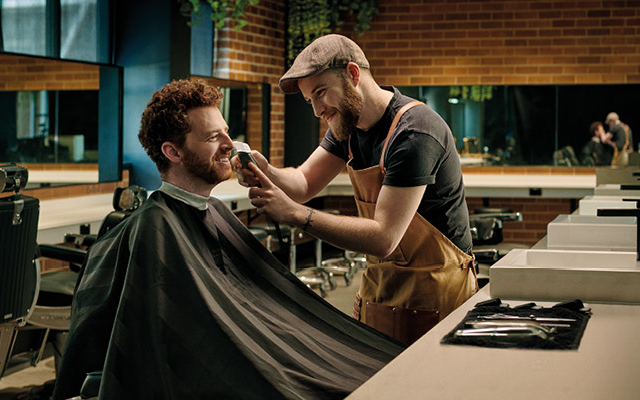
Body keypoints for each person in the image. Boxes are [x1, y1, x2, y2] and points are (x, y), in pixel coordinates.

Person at [54, 80, 402, 400]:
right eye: (212, 138)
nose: (229, 146)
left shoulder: (212, 211)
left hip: (265, 350)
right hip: (235, 370)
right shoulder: (155, 228)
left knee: (378, 363)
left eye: (227, 133)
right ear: (173, 152)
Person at [236, 34, 477, 345]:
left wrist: (295, 214)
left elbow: (384, 237)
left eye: (321, 93)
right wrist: (266, 171)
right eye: (310, 100)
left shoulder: (414, 131)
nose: (317, 110)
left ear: (352, 74)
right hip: (382, 284)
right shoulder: (347, 127)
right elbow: (304, 183)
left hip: (435, 290)